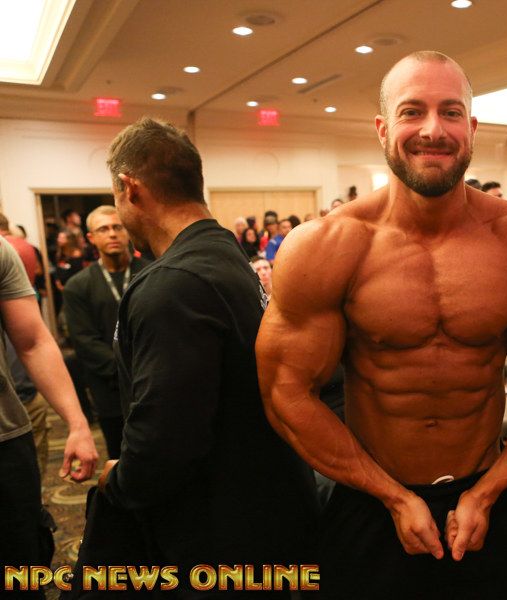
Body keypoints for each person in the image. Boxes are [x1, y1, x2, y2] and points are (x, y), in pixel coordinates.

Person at [257, 50, 507, 599]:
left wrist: (489, 490)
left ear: (472, 128)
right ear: (382, 128)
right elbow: (285, 392)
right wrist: (391, 496)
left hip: (493, 493)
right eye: (412, 111)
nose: (433, 130)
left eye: (451, 112)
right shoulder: (326, 247)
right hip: (370, 500)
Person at [69, 117, 318, 595]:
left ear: (129, 188)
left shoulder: (173, 284)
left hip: (221, 535)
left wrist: (118, 480)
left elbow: (165, 442)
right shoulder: (225, 255)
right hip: (260, 506)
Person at [0, 236, 98, 578]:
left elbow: (33, 342)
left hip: (5, 440)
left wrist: (77, 423)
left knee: (20, 565)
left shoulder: (1, 252)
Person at [63, 206, 150, 460]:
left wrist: (147, 369)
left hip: (152, 383)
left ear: (127, 231)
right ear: (91, 238)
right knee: (119, 454)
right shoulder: (78, 285)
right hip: (109, 389)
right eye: (103, 229)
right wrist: (129, 368)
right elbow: (84, 341)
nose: (112, 234)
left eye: (117, 227)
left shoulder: (152, 273)